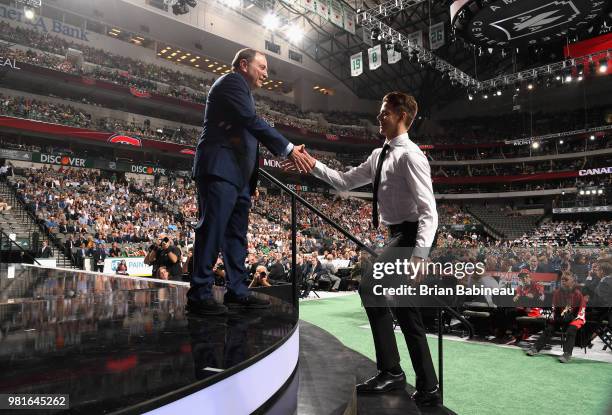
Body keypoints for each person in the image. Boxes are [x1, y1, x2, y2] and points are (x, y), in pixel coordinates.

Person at [298, 92, 440, 406]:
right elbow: (344, 181)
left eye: (384, 113)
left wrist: (420, 255)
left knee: (369, 284)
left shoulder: (411, 155)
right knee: (406, 312)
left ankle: (392, 371)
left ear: (402, 115)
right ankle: (428, 387)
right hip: (397, 235)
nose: (378, 118)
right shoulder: (379, 155)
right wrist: (314, 165)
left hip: (411, 234)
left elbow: (429, 210)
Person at [188, 48, 311, 315]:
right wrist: (288, 148)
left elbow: (248, 140)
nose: (266, 74)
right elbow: (250, 123)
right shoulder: (231, 82)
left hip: (238, 178)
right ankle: (199, 293)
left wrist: (250, 184)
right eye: (262, 67)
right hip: (220, 170)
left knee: (236, 237)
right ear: (244, 65)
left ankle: (238, 292)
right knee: (212, 230)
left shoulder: (244, 94)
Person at [526, 272, 586, 363]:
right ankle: (535, 348)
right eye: (562, 280)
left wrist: (572, 319)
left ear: (573, 282)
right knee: (550, 328)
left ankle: (567, 354)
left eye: (566, 280)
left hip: (576, 318)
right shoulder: (557, 293)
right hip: (561, 316)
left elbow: (581, 311)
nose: (563, 282)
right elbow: (554, 308)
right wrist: (557, 318)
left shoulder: (578, 294)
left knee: (571, 330)